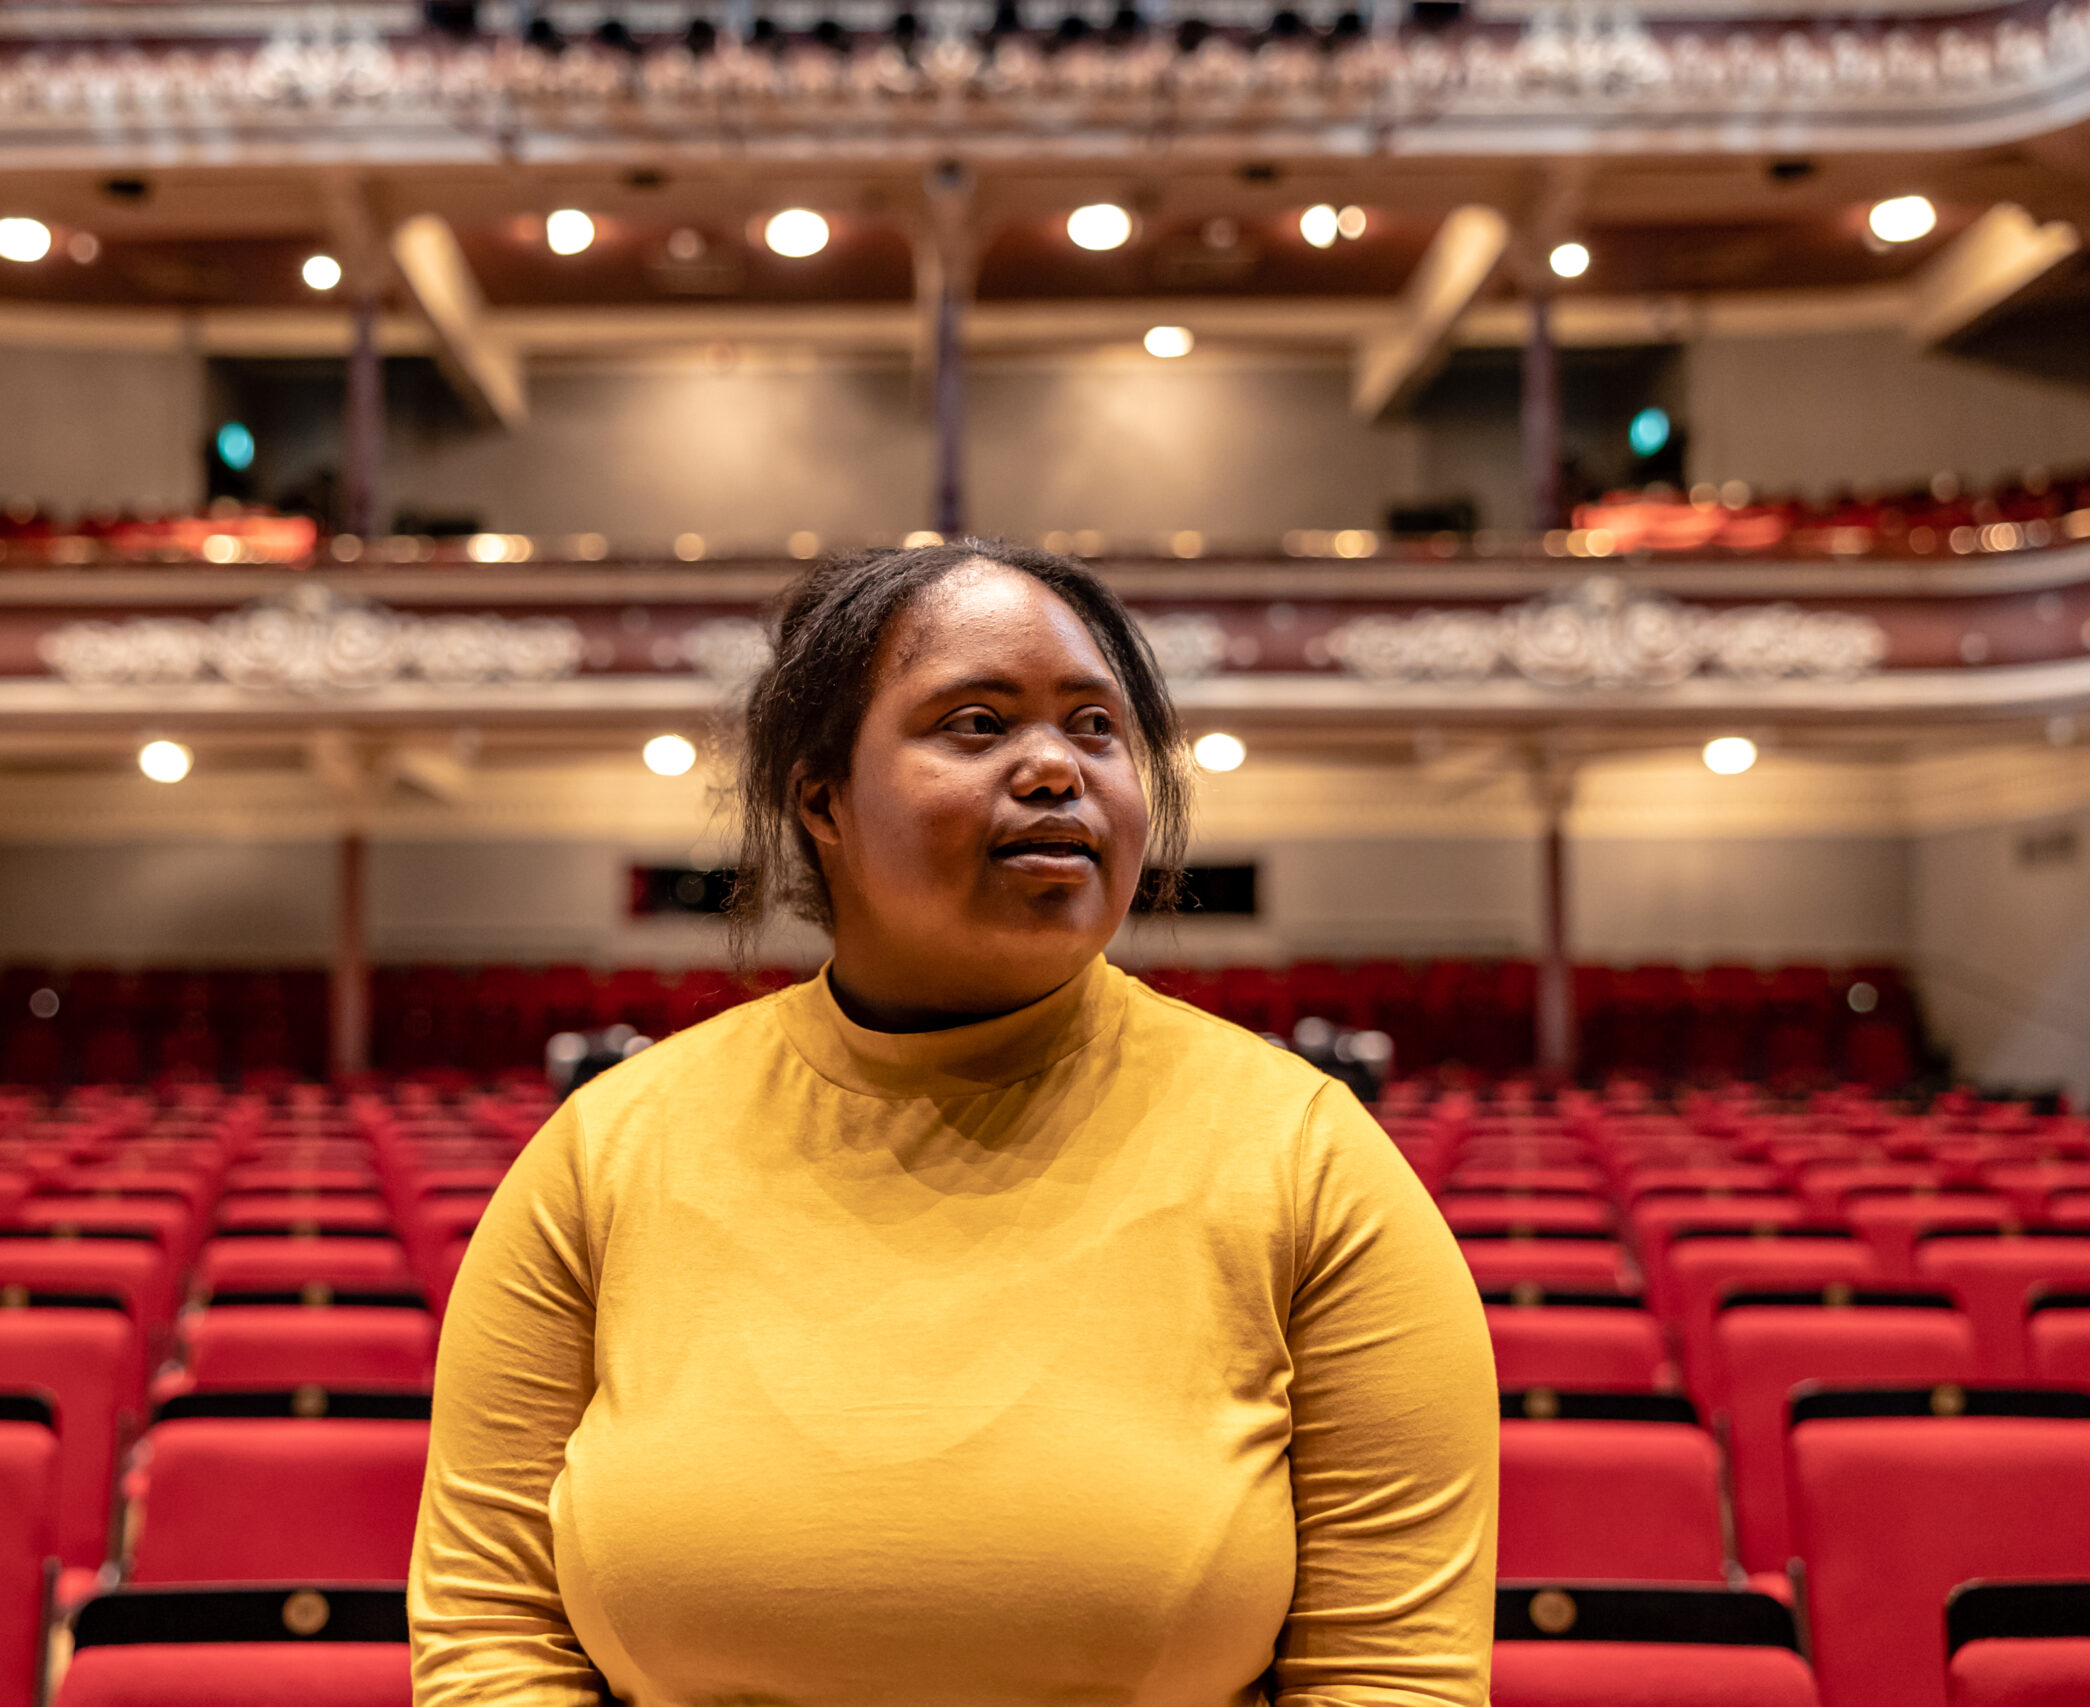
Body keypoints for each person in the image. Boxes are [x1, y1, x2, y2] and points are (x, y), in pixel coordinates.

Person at [409, 539, 1497, 1706]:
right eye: (976, 725)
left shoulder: (1310, 1156)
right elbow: (492, 1635)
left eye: (1095, 728)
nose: (1053, 768)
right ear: (820, 797)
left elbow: (1393, 1677)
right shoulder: (604, 1153)